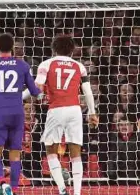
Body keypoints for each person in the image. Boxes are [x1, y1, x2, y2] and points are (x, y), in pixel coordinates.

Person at [31, 35, 98, 195]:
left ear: (53, 49)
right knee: (76, 152)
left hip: (56, 109)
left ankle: (62, 189)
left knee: (50, 150)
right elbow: (88, 91)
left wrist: (35, 96)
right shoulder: (79, 66)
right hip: (75, 110)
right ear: (72, 50)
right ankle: (76, 192)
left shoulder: (46, 64)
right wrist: (92, 112)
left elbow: (38, 90)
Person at [0, 33, 42, 195]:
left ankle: (2, 182)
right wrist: (41, 91)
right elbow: (34, 90)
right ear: (13, 48)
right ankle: (14, 189)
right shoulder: (23, 66)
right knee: (15, 154)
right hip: (17, 113)